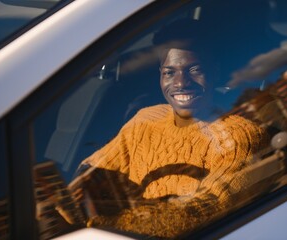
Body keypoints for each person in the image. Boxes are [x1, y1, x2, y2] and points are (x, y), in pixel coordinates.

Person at [69, 18, 268, 238]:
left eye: (194, 70)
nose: (181, 83)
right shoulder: (146, 119)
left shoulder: (239, 136)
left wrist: (108, 226)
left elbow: (204, 209)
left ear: (215, 71)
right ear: (160, 75)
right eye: (170, 72)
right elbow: (91, 171)